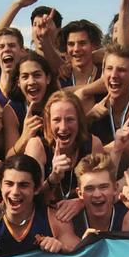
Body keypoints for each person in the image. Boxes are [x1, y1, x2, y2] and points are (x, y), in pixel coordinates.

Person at [25, 90, 103, 221]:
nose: (63, 127)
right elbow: (28, 197)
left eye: (70, 120)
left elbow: (105, 190)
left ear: (79, 121)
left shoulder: (93, 144)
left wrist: (82, 202)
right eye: (56, 120)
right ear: (48, 122)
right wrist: (53, 179)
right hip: (46, 220)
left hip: (83, 218)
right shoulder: (37, 146)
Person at [72, 152, 129, 238]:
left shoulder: (128, 218)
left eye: (103, 187)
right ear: (80, 193)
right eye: (89, 188)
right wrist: (85, 246)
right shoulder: (69, 220)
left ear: (115, 189)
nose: (97, 194)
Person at [3, 51, 58, 157]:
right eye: (25, 77)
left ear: (48, 78)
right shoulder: (12, 110)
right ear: (18, 82)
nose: (31, 82)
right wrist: (25, 137)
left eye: (37, 75)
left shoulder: (58, 104)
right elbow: (8, 158)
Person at [59, 20, 103, 90]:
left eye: (82, 43)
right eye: (71, 44)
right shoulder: (60, 80)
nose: (76, 49)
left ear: (93, 45)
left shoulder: (104, 73)